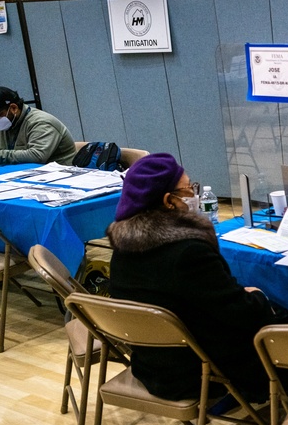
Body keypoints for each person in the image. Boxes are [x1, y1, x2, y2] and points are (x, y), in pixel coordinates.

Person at [107, 153, 274, 403]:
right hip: (199, 372)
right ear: (169, 201)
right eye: (188, 188)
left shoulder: (123, 248)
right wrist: (259, 297)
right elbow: (242, 314)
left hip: (152, 364)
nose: (193, 194)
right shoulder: (188, 253)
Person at [0, 86, 77, 165]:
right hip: (20, 174)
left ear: (13, 108)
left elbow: (37, 156)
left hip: (58, 175)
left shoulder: (41, 123)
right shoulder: (1, 126)